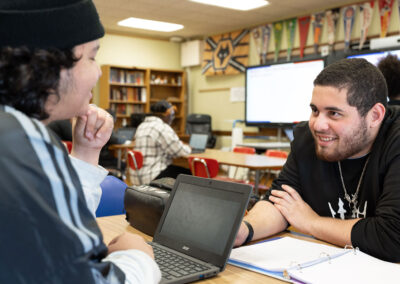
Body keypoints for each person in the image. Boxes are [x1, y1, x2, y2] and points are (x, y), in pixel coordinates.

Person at [0, 1, 160, 283]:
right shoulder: (21, 139)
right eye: (92, 57)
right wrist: (138, 257)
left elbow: (53, 231)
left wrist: (86, 153)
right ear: (53, 63)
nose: (98, 73)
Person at [235, 58, 400, 262]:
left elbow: (392, 237)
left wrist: (312, 223)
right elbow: (280, 202)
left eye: (334, 113)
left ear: (375, 116)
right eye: (315, 110)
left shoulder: (395, 140)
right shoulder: (308, 139)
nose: (318, 125)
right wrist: (245, 230)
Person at [132, 100, 192, 185]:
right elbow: (181, 152)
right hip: (153, 175)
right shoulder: (162, 127)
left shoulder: (142, 126)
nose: (173, 118)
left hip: (138, 176)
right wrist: (188, 147)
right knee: (191, 175)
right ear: (167, 114)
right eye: (172, 115)